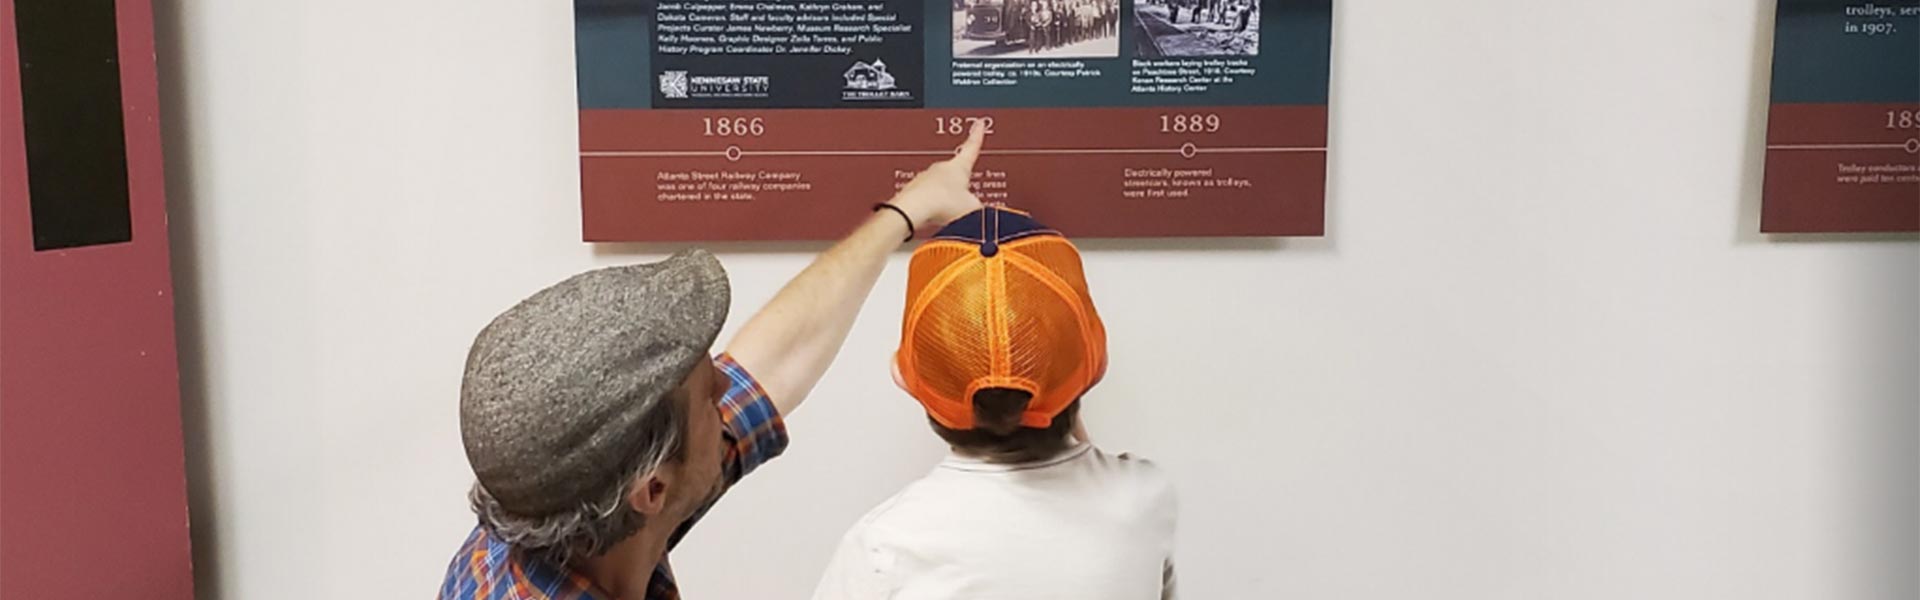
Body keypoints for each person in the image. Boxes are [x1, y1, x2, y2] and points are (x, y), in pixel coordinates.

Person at [436, 124, 989, 600]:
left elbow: (773, 362)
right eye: (707, 397)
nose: (727, 384)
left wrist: (908, 210)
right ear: (651, 490)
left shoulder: (561, 504)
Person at [811, 206, 1179, 600]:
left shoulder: (883, 546)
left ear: (904, 377)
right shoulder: (1147, 502)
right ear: (1097, 366)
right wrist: (1061, 382)